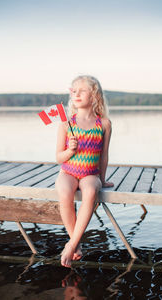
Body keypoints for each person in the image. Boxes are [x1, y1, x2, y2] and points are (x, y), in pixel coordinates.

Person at [55, 75, 114, 268]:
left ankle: (70, 245)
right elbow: (58, 157)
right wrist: (70, 150)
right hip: (68, 172)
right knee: (64, 191)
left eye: (82, 90)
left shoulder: (104, 124)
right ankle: (75, 244)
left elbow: (104, 155)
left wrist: (102, 180)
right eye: (74, 90)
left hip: (91, 173)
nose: (76, 94)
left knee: (90, 191)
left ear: (94, 95)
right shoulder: (66, 124)